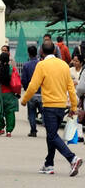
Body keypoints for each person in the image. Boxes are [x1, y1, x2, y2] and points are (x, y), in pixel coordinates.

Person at [20, 39, 82, 176]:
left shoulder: (42, 65)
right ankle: (49, 164)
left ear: (41, 52)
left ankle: (72, 158)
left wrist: (24, 100)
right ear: (55, 50)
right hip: (61, 106)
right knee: (51, 135)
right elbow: (71, 88)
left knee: (52, 135)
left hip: (49, 106)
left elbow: (33, 86)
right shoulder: (64, 65)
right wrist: (73, 106)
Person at [0, 44, 19, 137]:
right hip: (10, 94)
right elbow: (17, 80)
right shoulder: (12, 68)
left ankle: (1, 128)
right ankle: (9, 131)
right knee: (10, 112)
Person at [19, 44, 42, 136]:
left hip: (31, 92)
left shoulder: (26, 65)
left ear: (29, 54)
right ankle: (49, 129)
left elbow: (24, 79)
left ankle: (33, 130)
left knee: (31, 113)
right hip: (42, 92)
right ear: (37, 53)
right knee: (44, 113)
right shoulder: (41, 64)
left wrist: (26, 89)